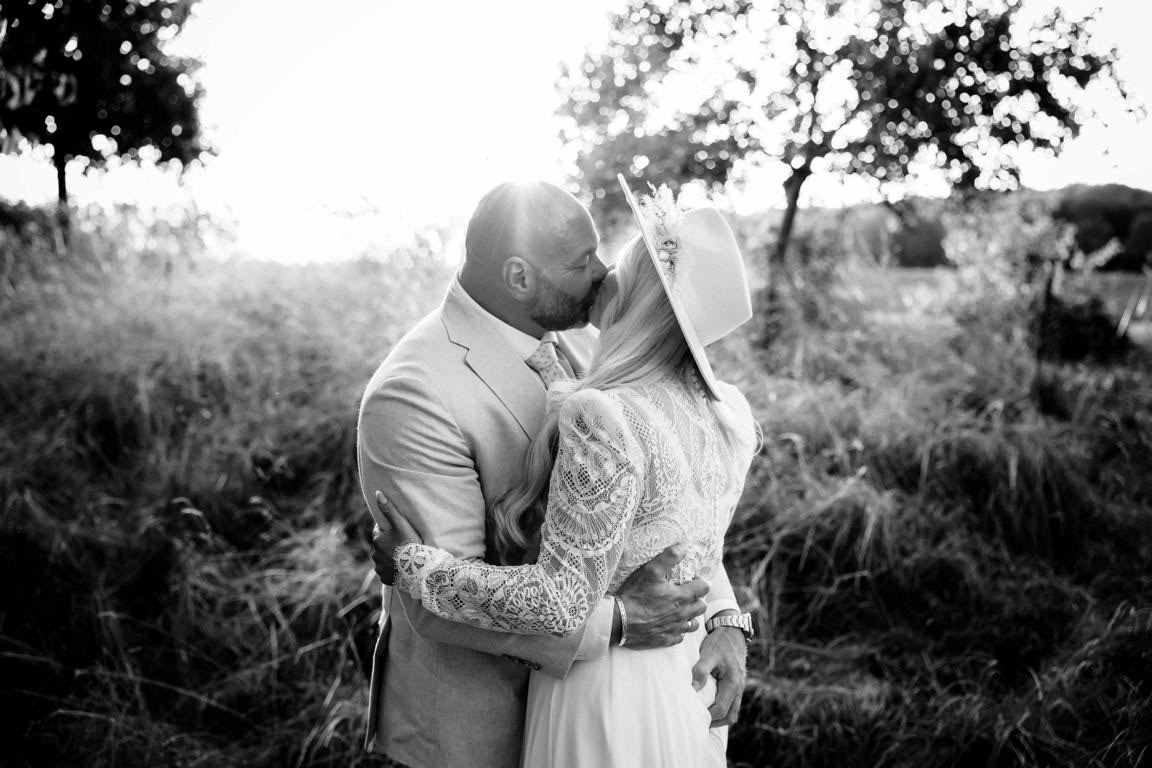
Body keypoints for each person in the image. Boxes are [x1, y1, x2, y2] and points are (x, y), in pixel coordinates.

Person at [356, 179, 750, 768]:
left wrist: (723, 617)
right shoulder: (414, 392)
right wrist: (621, 621)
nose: (603, 273)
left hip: (625, 700)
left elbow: (671, 504)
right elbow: (433, 605)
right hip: (484, 721)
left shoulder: (600, 341)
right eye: (581, 261)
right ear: (520, 277)